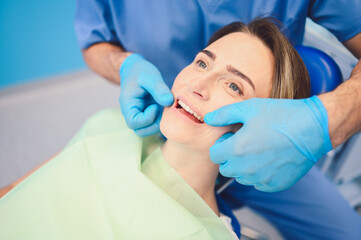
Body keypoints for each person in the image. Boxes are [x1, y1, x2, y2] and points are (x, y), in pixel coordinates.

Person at [2, 18, 360, 239]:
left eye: (234, 86)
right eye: (202, 62)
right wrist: (124, 63)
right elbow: (20, 191)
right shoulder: (107, 125)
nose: (198, 85)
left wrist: (330, 119)